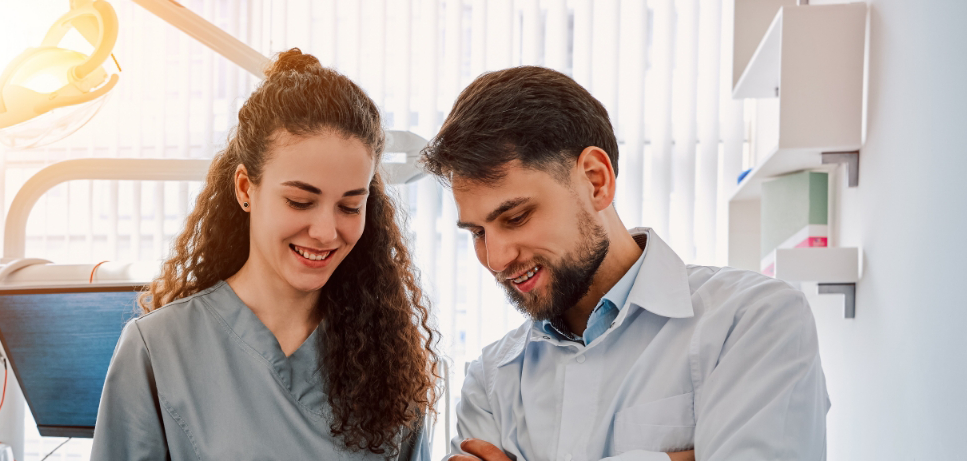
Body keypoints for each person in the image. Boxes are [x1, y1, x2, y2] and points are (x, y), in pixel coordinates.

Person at [421, 66, 830, 461]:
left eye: (516, 218)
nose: (496, 259)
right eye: (477, 232)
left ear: (596, 181)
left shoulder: (753, 321)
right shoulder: (491, 382)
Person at [89, 48, 440, 460]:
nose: (326, 232)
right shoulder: (159, 350)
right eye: (299, 201)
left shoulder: (390, 362)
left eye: (350, 206)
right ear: (244, 189)